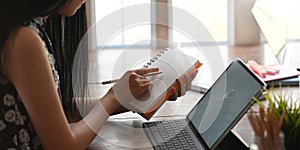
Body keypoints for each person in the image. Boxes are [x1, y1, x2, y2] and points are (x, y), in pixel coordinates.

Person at [0, 0, 196, 149]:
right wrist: (112, 98)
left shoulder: (26, 28)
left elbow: (61, 111)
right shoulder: (24, 40)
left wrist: (129, 97)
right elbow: (64, 146)